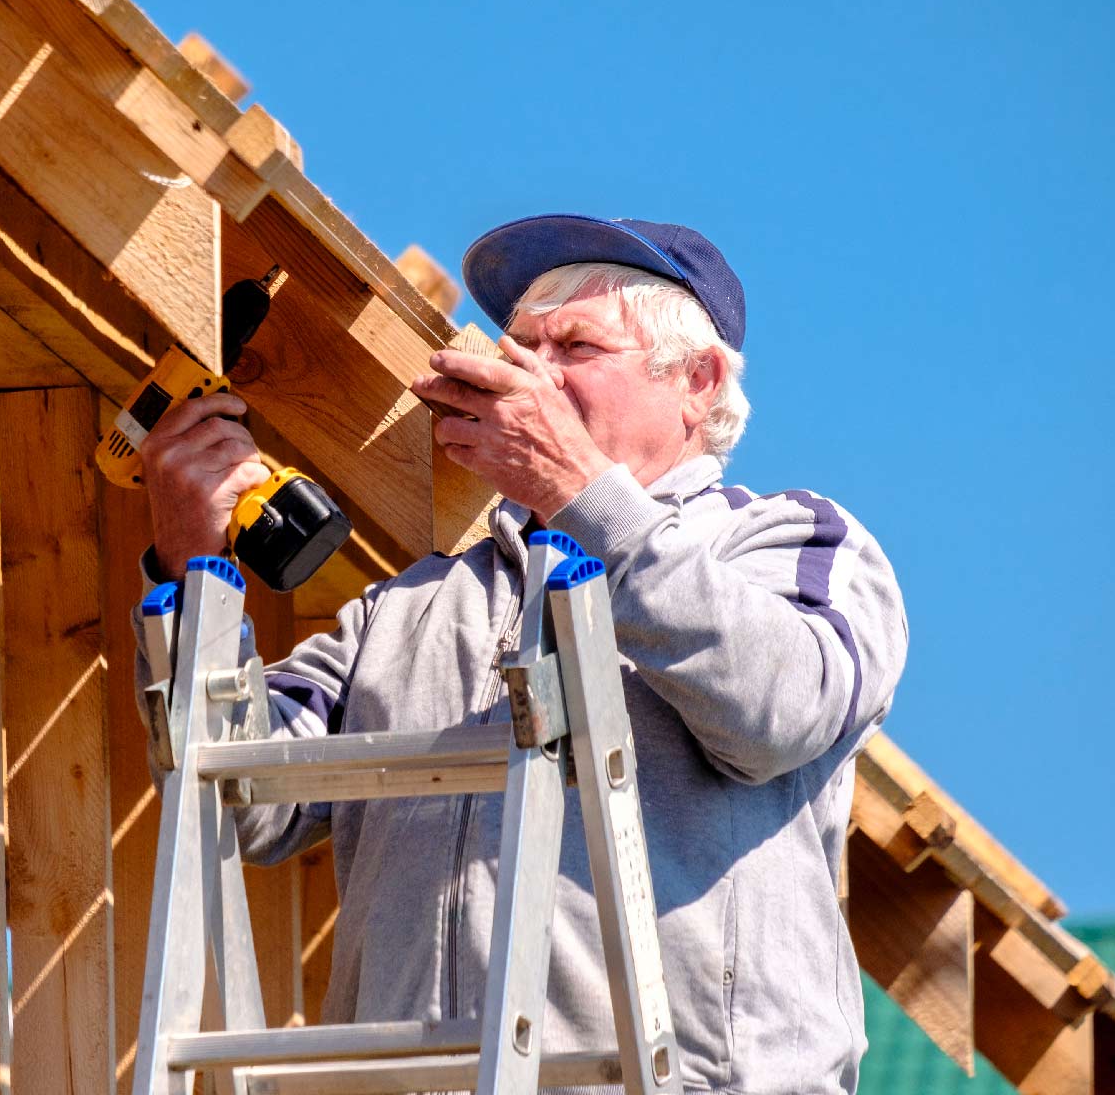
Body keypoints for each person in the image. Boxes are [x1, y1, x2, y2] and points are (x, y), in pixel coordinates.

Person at [133, 214, 908, 1094]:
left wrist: (585, 499)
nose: (529, 371)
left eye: (575, 345)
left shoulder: (785, 546)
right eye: (519, 347)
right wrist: (191, 572)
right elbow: (240, 804)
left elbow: (781, 710)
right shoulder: (411, 605)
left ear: (697, 382)